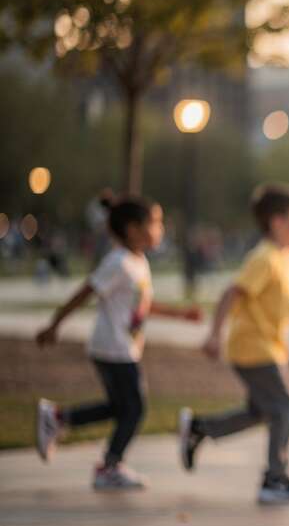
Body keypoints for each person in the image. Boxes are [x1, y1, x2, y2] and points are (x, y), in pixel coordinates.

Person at [177, 183, 289, 505]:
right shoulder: (264, 258)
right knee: (285, 405)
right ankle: (274, 479)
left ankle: (201, 427)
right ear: (278, 222)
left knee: (263, 411)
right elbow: (231, 293)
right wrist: (213, 334)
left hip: (269, 346)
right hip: (252, 346)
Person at [34, 196, 202, 490]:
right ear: (134, 229)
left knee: (120, 407)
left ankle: (58, 418)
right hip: (113, 348)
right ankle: (109, 466)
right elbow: (85, 292)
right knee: (135, 408)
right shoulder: (118, 262)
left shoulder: (138, 262)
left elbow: (141, 305)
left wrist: (180, 315)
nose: (161, 229)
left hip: (121, 346)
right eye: (156, 223)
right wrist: (54, 325)